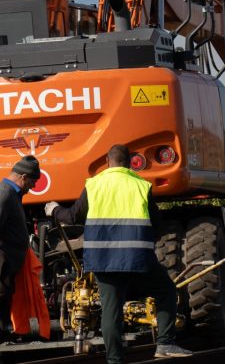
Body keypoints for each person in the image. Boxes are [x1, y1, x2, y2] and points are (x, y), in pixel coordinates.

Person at [45, 145, 192, 363]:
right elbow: (158, 225)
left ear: (107, 160)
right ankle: (165, 343)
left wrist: (54, 209)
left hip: (103, 260)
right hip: (137, 258)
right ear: (130, 161)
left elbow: (72, 216)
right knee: (166, 291)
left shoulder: (94, 185)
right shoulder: (141, 185)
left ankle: (115, 360)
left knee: (110, 310)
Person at [0, 156, 40, 337]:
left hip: (7, 263)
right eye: (33, 181)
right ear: (23, 177)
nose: (34, 187)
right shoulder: (5, 194)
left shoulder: (12, 193)